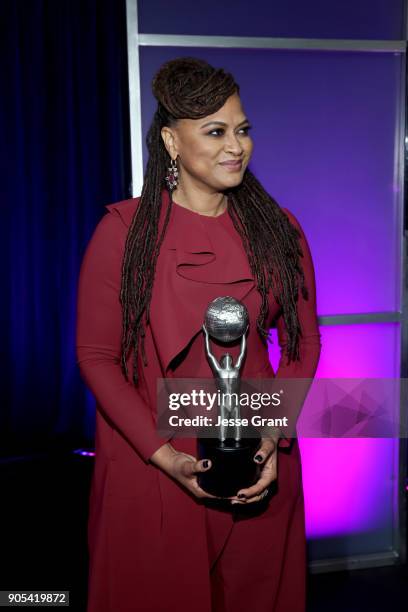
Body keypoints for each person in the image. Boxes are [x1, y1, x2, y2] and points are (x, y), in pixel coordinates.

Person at [76, 57, 321, 612]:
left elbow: (305, 344)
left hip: (260, 464)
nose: (235, 146)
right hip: (151, 465)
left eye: (242, 129)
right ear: (170, 140)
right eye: (215, 131)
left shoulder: (279, 230)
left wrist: (272, 439)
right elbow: (95, 356)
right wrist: (163, 454)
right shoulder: (124, 234)